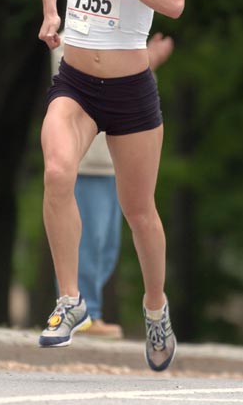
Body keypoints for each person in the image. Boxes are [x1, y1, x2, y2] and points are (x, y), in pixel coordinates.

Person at [36, 0, 184, 372]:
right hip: (74, 82)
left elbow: (175, 1)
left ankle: (154, 308)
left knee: (139, 212)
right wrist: (50, 12)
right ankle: (71, 301)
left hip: (130, 91)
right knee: (56, 173)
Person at [51, 33, 175, 339]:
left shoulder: (125, 35)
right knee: (89, 240)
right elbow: (85, 81)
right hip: (89, 162)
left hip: (111, 161)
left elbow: (128, 90)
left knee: (107, 245)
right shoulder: (73, 35)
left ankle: (93, 310)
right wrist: (148, 59)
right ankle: (85, 310)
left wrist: (146, 61)